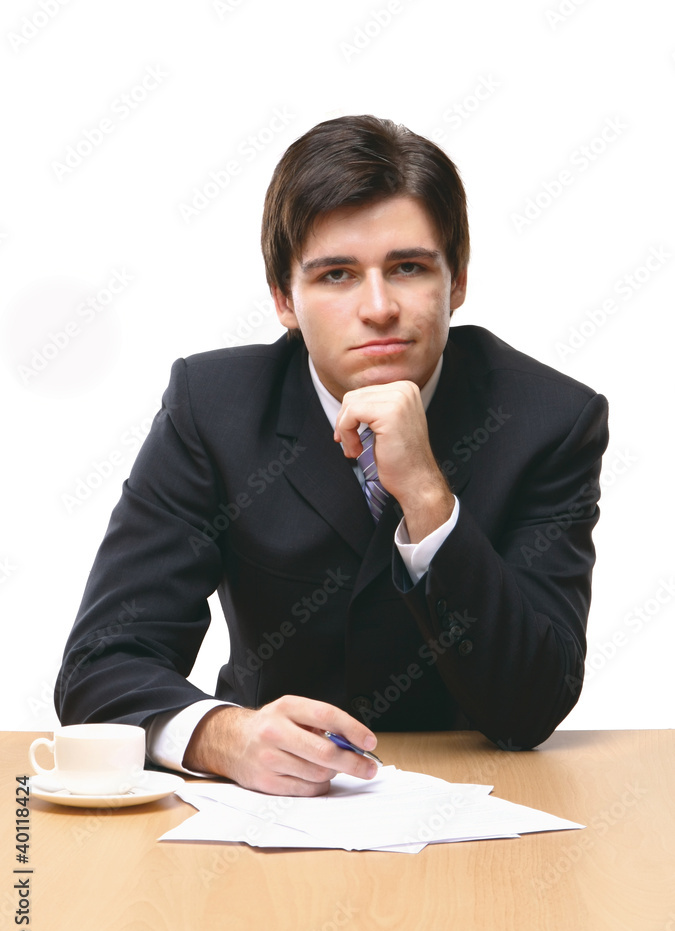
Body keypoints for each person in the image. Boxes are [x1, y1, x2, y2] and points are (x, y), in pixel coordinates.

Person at [55, 114, 609, 797]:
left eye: (407, 268)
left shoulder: (550, 421)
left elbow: (531, 705)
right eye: (337, 275)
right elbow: (100, 664)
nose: (378, 308)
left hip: (477, 809)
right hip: (263, 805)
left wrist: (429, 504)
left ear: (456, 282)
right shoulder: (214, 408)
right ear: (284, 299)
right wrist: (223, 736)